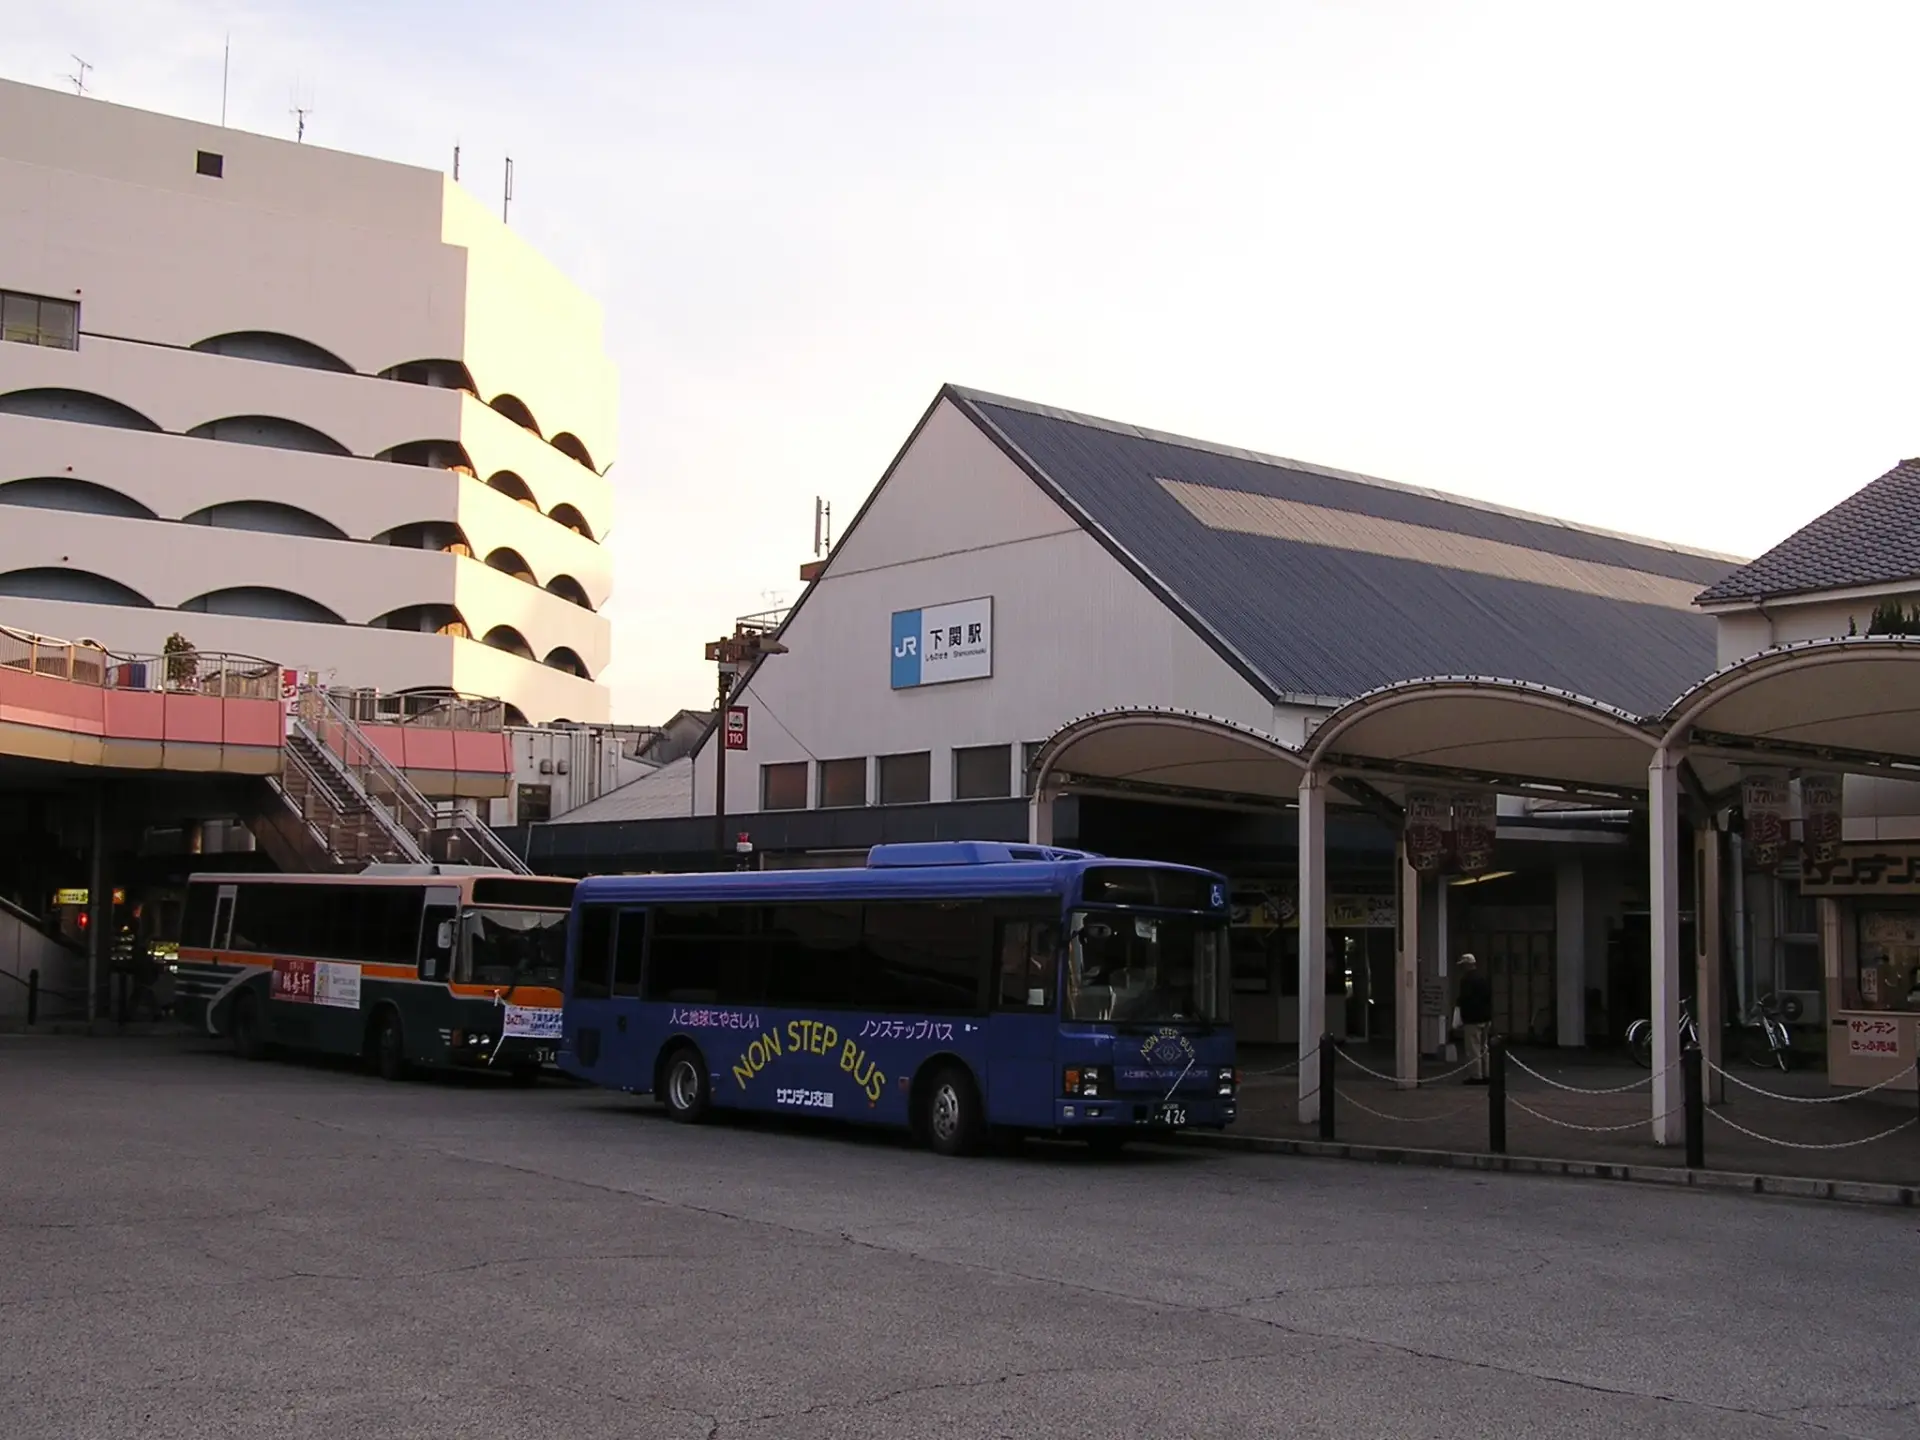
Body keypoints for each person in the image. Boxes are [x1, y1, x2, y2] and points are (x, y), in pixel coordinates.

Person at [1456, 952, 1493, 1085]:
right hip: (1485, 1017)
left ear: (1467, 965)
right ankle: (1487, 1073)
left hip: (1472, 1018)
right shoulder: (1483, 978)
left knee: (1473, 1048)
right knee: (1484, 1047)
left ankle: (1476, 1075)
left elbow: (1464, 999)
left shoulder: (1466, 980)